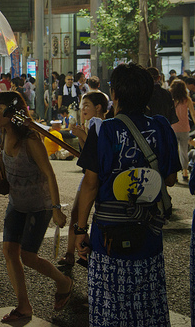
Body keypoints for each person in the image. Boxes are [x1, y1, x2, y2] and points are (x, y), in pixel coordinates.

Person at [75, 63, 179, 327]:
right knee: (148, 302)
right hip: (149, 230)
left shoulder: (103, 130)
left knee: (111, 304)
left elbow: (90, 184)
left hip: (109, 234)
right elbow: (170, 179)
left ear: (116, 95)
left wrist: (79, 229)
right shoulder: (162, 126)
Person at [0, 91, 72, 322]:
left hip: (39, 206)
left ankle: (64, 282)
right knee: (9, 251)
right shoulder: (5, 134)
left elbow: (49, 173)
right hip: (16, 203)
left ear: (12, 111)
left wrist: (56, 208)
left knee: (27, 256)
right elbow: (4, 157)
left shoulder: (31, 140)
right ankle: (24, 305)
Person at [58, 91, 109, 266]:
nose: (83, 109)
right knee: (77, 214)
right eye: (82, 106)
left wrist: (81, 135)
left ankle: (76, 253)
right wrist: (81, 135)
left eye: (86, 105)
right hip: (91, 175)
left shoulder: (98, 123)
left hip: (93, 177)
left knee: (79, 215)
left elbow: (95, 153)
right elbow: (86, 153)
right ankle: (77, 253)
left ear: (99, 107)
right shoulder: (94, 124)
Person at [170, 79, 195, 183]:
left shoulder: (171, 100)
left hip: (173, 128)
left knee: (174, 151)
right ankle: (185, 172)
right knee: (184, 150)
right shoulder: (187, 99)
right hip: (184, 128)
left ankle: (174, 174)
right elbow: (193, 114)